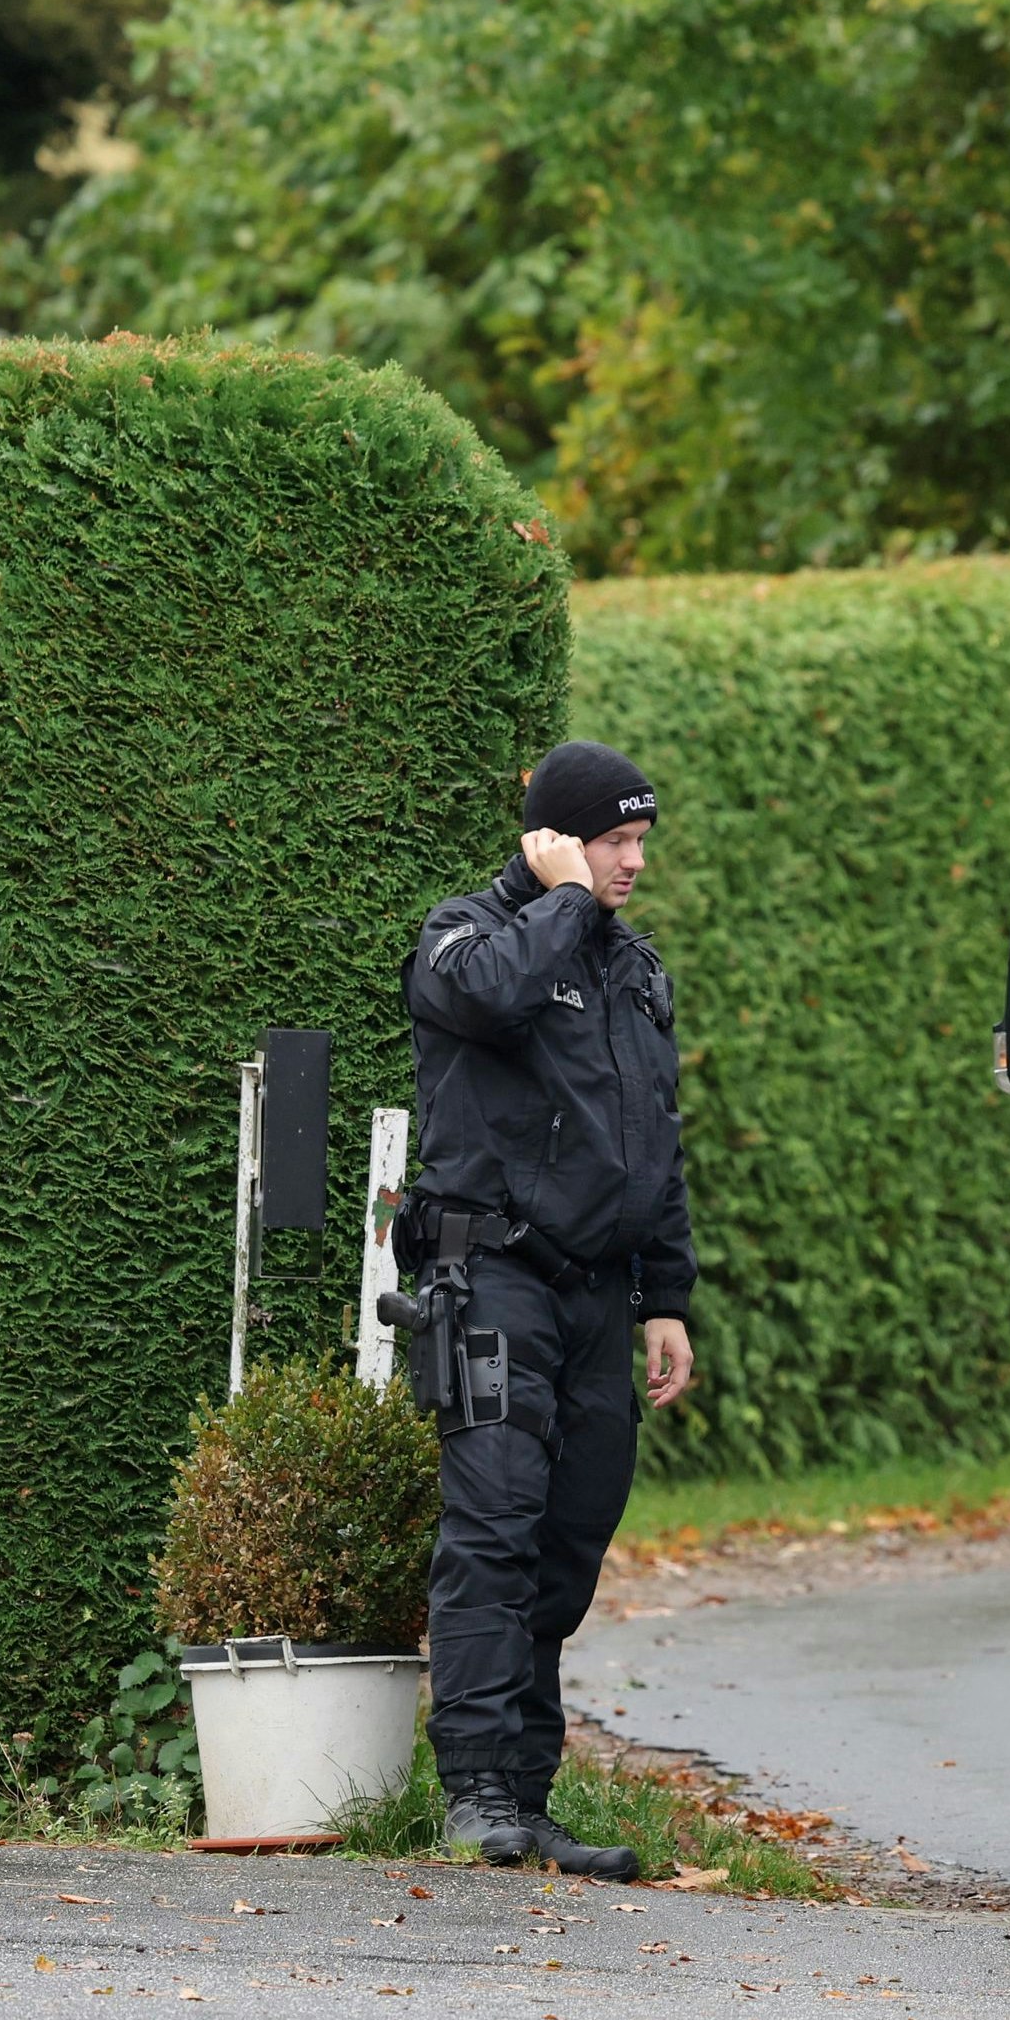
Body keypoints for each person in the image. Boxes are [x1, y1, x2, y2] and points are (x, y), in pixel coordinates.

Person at [402, 739, 698, 1879]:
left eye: (639, 842)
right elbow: (487, 998)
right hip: (492, 1279)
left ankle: (528, 1800)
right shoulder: (466, 936)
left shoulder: (633, 969)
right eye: (615, 841)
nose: (633, 862)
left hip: (594, 1300)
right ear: (556, 841)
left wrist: (664, 1297)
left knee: (569, 1541)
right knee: (494, 1532)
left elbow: (655, 1139)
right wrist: (561, 898)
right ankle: (476, 1793)